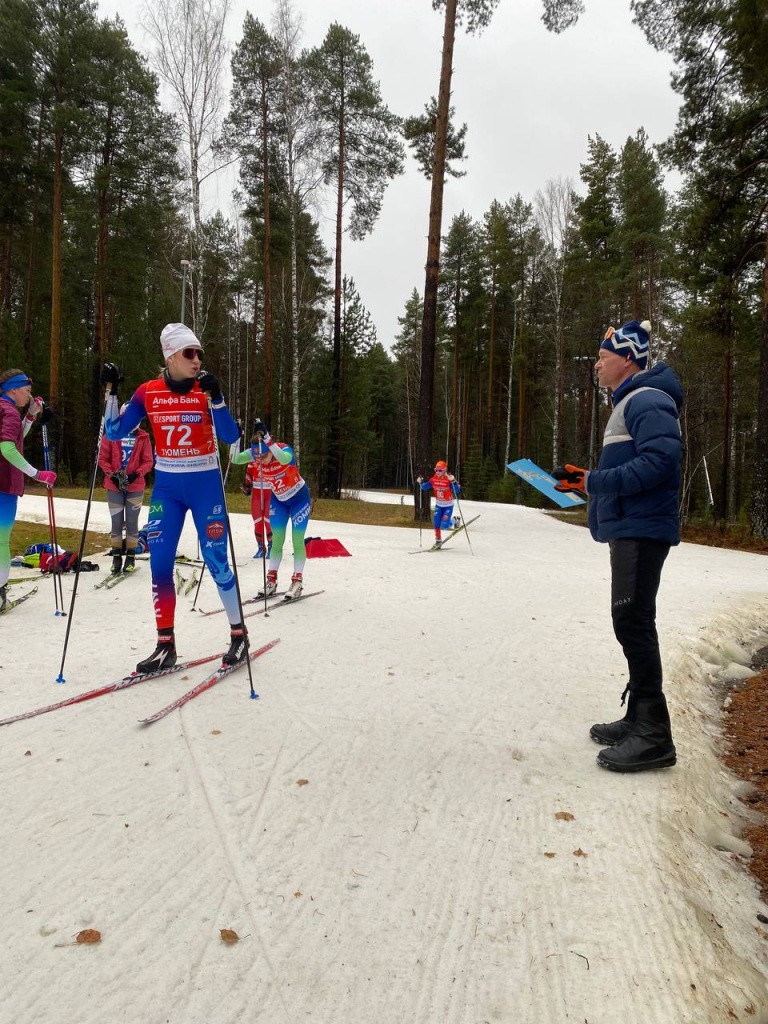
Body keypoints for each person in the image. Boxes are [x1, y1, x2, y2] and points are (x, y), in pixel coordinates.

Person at [552, 319, 683, 774]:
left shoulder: (647, 399)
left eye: (603, 357)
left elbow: (661, 463)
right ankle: (638, 719)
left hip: (642, 528)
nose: (597, 364)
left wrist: (595, 481)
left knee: (633, 621)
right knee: (630, 619)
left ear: (627, 358)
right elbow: (639, 463)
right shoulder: (633, 401)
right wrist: (587, 484)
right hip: (632, 525)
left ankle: (654, 735)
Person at [101, 324, 245, 672]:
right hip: (167, 486)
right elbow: (113, 431)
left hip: (205, 484)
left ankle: (239, 635)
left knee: (216, 560)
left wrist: (219, 399)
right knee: (159, 562)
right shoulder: (148, 392)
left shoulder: (204, 389)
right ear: (170, 356)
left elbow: (231, 436)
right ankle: (166, 644)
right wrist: (110, 392)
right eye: (189, 353)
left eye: (199, 354)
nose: (197, 360)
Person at [233, 421, 309, 600]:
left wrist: (268, 439)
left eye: (264, 456)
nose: (260, 461)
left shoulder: (283, 450)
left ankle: (297, 580)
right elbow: (235, 459)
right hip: (279, 500)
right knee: (277, 541)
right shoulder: (256, 453)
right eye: (257, 457)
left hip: (299, 498)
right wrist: (235, 439)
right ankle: (271, 579)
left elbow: (284, 459)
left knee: (297, 540)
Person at [0, 370, 56, 610]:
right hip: (3, 485)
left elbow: (14, 438)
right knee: (2, 541)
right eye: (27, 391)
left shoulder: (6, 410)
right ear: (13, 389)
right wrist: (37, 474)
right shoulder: (10, 412)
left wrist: (31, 418)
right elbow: (8, 448)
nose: (29, 396)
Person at [98, 408, 153, 575]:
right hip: (115, 485)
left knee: (131, 523)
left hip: (134, 486)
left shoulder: (143, 436)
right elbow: (102, 458)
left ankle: (130, 557)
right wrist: (112, 475)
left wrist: (136, 474)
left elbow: (148, 461)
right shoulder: (112, 434)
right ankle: (116, 557)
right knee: (116, 523)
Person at [241, 439, 273, 559]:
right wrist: (247, 486)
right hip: (257, 493)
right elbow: (249, 473)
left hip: (269, 492)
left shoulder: (269, 456)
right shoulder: (252, 458)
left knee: (268, 520)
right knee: (257, 520)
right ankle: (261, 548)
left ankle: (271, 546)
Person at [417, 461, 461, 548]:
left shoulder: (448, 480)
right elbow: (425, 487)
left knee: (444, 525)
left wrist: (454, 481)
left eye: (440, 470)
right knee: (436, 522)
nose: (438, 472)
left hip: (448, 505)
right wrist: (420, 482)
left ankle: (455, 520)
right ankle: (438, 541)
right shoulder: (433, 479)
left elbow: (457, 490)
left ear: (444, 470)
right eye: (436, 470)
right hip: (439, 505)